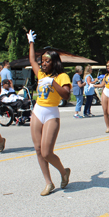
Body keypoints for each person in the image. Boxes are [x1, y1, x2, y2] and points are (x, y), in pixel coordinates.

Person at [26, 30, 71, 196]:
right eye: (42, 61)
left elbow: (66, 95)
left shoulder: (62, 77)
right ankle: (48, 182)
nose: (43, 63)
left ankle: (63, 171)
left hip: (52, 113)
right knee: (38, 150)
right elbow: (31, 59)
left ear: (54, 62)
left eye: (47, 61)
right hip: (38, 110)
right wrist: (31, 42)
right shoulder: (41, 74)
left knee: (47, 152)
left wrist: (52, 82)